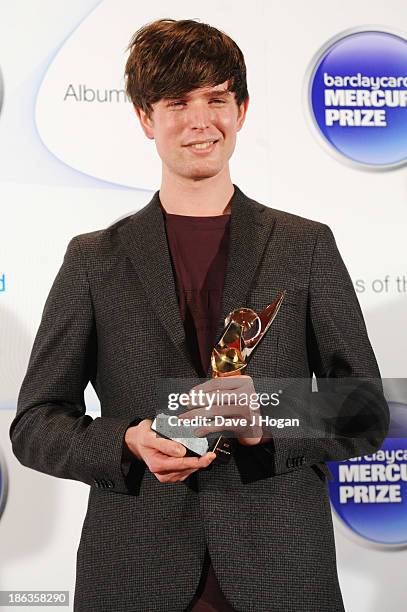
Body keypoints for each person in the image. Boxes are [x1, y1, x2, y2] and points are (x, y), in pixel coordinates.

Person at [10, 18, 389, 612]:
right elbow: (34, 422)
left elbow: (364, 410)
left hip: (281, 568)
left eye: (215, 99)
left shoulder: (305, 245)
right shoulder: (94, 259)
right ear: (144, 117)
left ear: (241, 110)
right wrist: (128, 442)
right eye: (177, 102)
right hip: (134, 571)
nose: (199, 121)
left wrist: (264, 417)